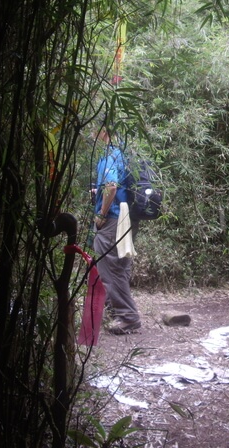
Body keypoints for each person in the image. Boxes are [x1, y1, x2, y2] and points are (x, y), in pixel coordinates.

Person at [92, 124, 141, 335]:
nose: (93, 134)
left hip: (111, 218)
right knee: (119, 265)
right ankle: (117, 311)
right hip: (124, 217)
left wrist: (101, 214)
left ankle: (127, 316)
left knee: (111, 267)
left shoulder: (109, 154)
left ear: (104, 130)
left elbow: (111, 187)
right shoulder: (122, 153)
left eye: (95, 129)